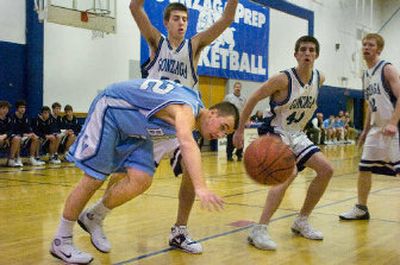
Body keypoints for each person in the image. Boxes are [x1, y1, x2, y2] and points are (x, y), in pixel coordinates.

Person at [88, 0, 238, 255]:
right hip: (148, 123)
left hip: (180, 123)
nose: (181, 23)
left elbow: (225, 21)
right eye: (176, 19)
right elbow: (135, 9)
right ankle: (97, 215)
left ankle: (180, 230)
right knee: (125, 178)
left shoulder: (194, 46)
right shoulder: (157, 43)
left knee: (193, 165)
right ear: (166, 22)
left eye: (185, 19)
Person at [50, 79, 239, 264]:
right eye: (223, 127)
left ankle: (94, 216)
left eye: (226, 134)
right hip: (111, 110)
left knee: (142, 179)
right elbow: (187, 142)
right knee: (93, 179)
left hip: (136, 129)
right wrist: (201, 187)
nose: (221, 135)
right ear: (212, 113)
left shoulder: (194, 108)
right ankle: (61, 240)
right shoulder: (186, 109)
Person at [233, 36, 334, 250]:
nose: (307, 53)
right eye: (303, 50)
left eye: (311, 50)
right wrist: (240, 130)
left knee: (326, 170)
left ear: (316, 55)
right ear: (296, 54)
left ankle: (301, 220)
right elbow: (252, 99)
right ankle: (259, 229)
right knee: (288, 174)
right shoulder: (283, 79)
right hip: (275, 130)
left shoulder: (319, 78)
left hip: (297, 133)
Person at [339, 33, 400, 220]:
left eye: (371, 45)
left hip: (394, 126)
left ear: (379, 49)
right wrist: (365, 131)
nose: (366, 47)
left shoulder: (387, 69)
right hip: (376, 128)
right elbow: (369, 104)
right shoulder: (365, 75)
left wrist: (392, 123)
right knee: (364, 167)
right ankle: (361, 208)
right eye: (364, 44)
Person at [10, 100, 45, 166]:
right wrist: (24, 134)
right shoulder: (12, 117)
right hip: (14, 136)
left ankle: (32, 158)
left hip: (23, 136)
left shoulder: (25, 118)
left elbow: (28, 129)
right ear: (17, 108)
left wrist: (32, 133)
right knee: (18, 138)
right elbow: (12, 130)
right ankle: (17, 158)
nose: (23, 109)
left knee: (35, 137)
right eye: (21, 107)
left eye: (24, 107)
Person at [224, 81, 246, 161]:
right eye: (236, 87)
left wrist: (247, 120)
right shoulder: (228, 97)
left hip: (240, 121)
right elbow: (224, 108)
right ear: (234, 88)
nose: (238, 88)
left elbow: (245, 110)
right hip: (231, 121)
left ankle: (239, 153)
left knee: (241, 138)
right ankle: (229, 155)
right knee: (230, 139)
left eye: (239, 87)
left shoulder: (243, 98)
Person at [0, 100, 23, 167]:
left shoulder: (9, 118)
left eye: (7, 108)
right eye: (3, 108)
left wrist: (5, 136)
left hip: (5, 137)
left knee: (17, 138)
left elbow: (11, 130)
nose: (5, 110)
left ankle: (11, 160)